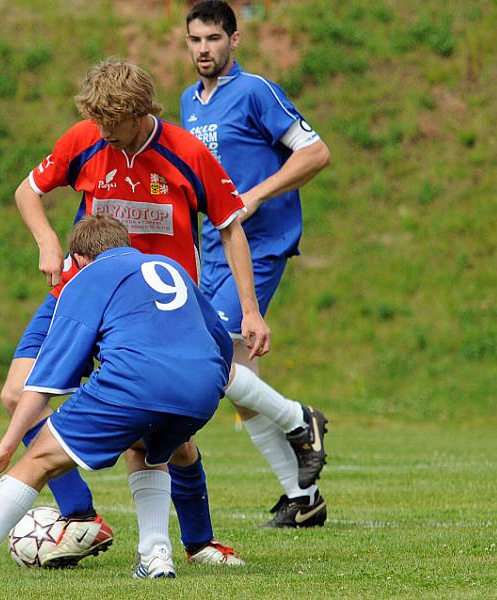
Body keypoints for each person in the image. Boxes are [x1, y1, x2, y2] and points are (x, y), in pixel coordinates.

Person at [0, 58, 267, 565]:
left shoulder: (186, 154)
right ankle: (82, 518)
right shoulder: (85, 140)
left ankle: (199, 543)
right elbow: (27, 191)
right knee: (18, 394)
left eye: (113, 126)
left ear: (142, 112)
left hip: (157, 313)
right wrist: (48, 241)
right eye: (97, 124)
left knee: (164, 439)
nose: (104, 135)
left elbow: (231, 227)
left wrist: (250, 311)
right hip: (80, 295)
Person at [0, 215, 234, 583]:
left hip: (136, 382)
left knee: (39, 460)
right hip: (203, 388)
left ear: (77, 259)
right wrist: (203, 388)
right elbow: (220, 339)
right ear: (124, 243)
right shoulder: (167, 266)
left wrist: (6, 445)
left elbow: (47, 379)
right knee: (145, 448)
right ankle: (156, 556)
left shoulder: (86, 279)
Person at [182, 1, 332, 528]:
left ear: (234, 40)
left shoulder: (256, 92)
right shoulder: (189, 103)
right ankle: (303, 498)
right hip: (211, 250)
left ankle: (301, 420)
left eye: (214, 39)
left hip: (260, 244)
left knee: (211, 361)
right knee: (240, 383)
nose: (204, 49)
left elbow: (315, 153)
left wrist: (255, 196)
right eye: (196, 40)